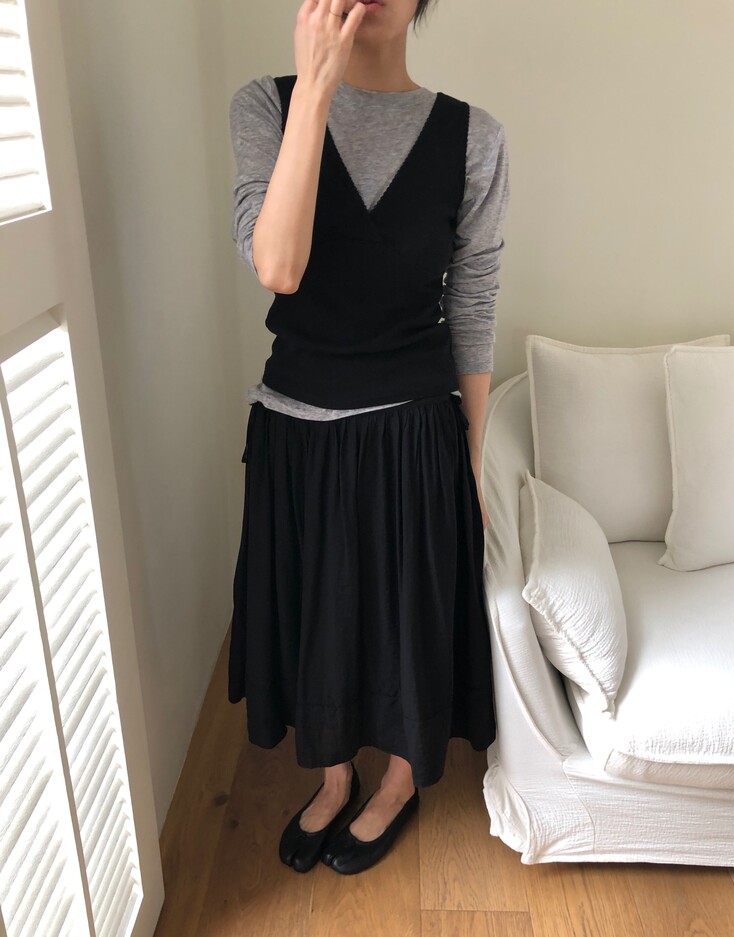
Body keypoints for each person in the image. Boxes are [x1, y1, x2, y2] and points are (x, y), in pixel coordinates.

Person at [227, 0, 510, 876]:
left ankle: (397, 781)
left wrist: (472, 458)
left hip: (415, 435)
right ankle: (334, 775)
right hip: (298, 434)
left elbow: (473, 303)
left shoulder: (474, 136)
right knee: (320, 623)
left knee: (403, 627)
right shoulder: (265, 106)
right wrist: (315, 90)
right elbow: (278, 266)